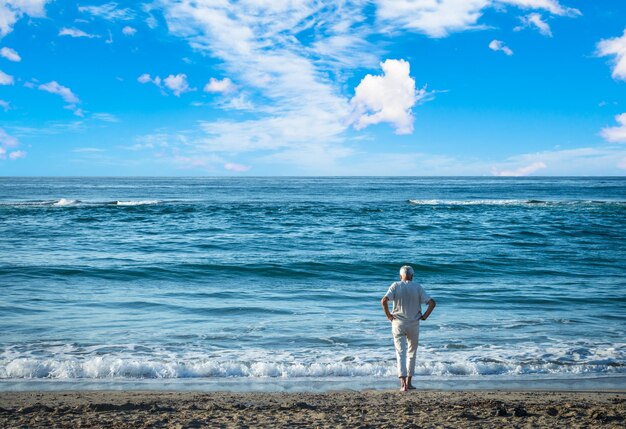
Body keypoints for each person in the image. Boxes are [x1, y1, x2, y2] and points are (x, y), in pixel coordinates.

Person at [381, 265, 436, 391]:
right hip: (414, 323)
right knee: (412, 353)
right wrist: (424, 316)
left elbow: (384, 300)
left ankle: (402, 385)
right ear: (412, 276)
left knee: (400, 353)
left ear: (401, 276)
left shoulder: (395, 285)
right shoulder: (417, 287)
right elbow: (432, 303)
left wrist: (389, 315)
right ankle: (409, 382)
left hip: (398, 323)